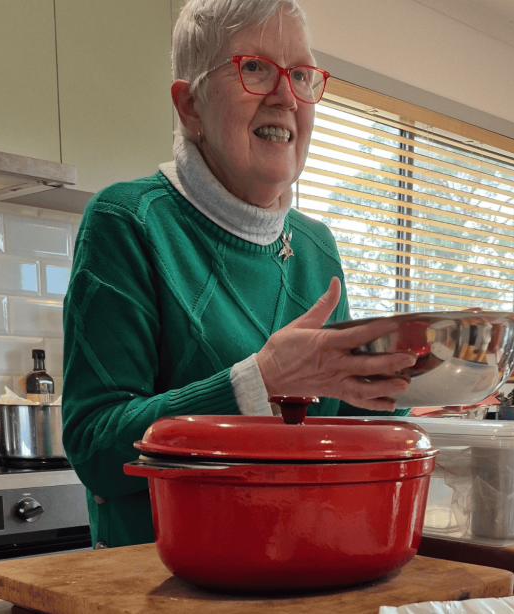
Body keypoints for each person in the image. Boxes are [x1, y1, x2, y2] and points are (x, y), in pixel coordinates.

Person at [62, 0, 417, 549]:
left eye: (300, 75)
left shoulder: (317, 247)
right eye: (254, 68)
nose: (285, 95)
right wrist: (262, 380)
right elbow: (95, 448)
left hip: (305, 567)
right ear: (190, 107)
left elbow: (349, 428)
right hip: (159, 587)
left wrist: (415, 381)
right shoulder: (128, 221)